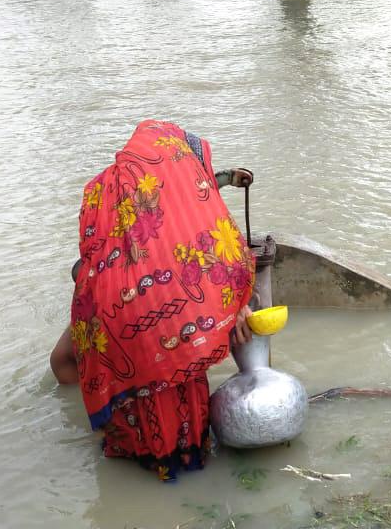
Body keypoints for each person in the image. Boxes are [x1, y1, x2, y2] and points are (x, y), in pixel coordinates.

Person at [50, 120, 255, 482]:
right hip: (181, 430)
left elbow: (61, 366)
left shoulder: (104, 193)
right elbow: (189, 202)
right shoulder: (186, 265)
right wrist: (239, 308)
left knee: (77, 363)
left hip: (120, 429)